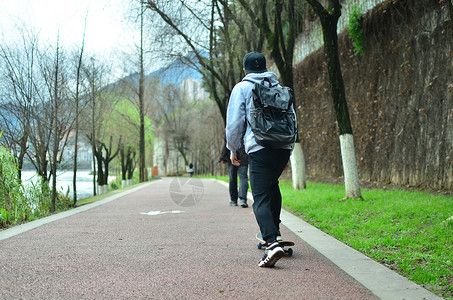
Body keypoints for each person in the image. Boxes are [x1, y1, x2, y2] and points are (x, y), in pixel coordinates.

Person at [226, 51, 295, 268]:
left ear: (245, 70)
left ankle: (271, 243)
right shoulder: (277, 86)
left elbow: (235, 122)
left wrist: (232, 148)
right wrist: (289, 150)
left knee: (260, 196)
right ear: (265, 68)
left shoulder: (242, 88)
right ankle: (274, 230)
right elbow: (292, 117)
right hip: (283, 146)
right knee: (272, 187)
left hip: (259, 147)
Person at [219, 138, 249, 208]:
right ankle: (243, 199)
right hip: (244, 155)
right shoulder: (247, 127)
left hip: (232, 156)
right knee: (243, 177)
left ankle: (233, 200)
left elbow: (226, 143)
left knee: (232, 178)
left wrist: (222, 157)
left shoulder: (230, 128)